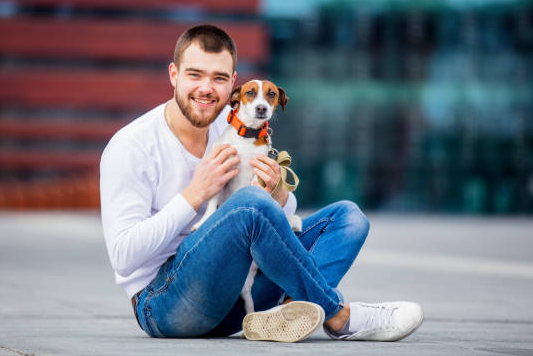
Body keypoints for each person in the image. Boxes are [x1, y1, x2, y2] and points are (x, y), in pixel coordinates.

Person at [100, 24, 423, 342]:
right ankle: (338, 316)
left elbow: (271, 215)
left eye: (219, 78)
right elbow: (124, 258)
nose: (206, 88)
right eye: (195, 74)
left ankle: (290, 311)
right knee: (250, 205)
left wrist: (279, 193)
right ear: (174, 75)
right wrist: (195, 194)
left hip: (239, 297)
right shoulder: (132, 146)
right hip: (167, 304)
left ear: (233, 86)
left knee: (348, 218)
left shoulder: (238, 126)